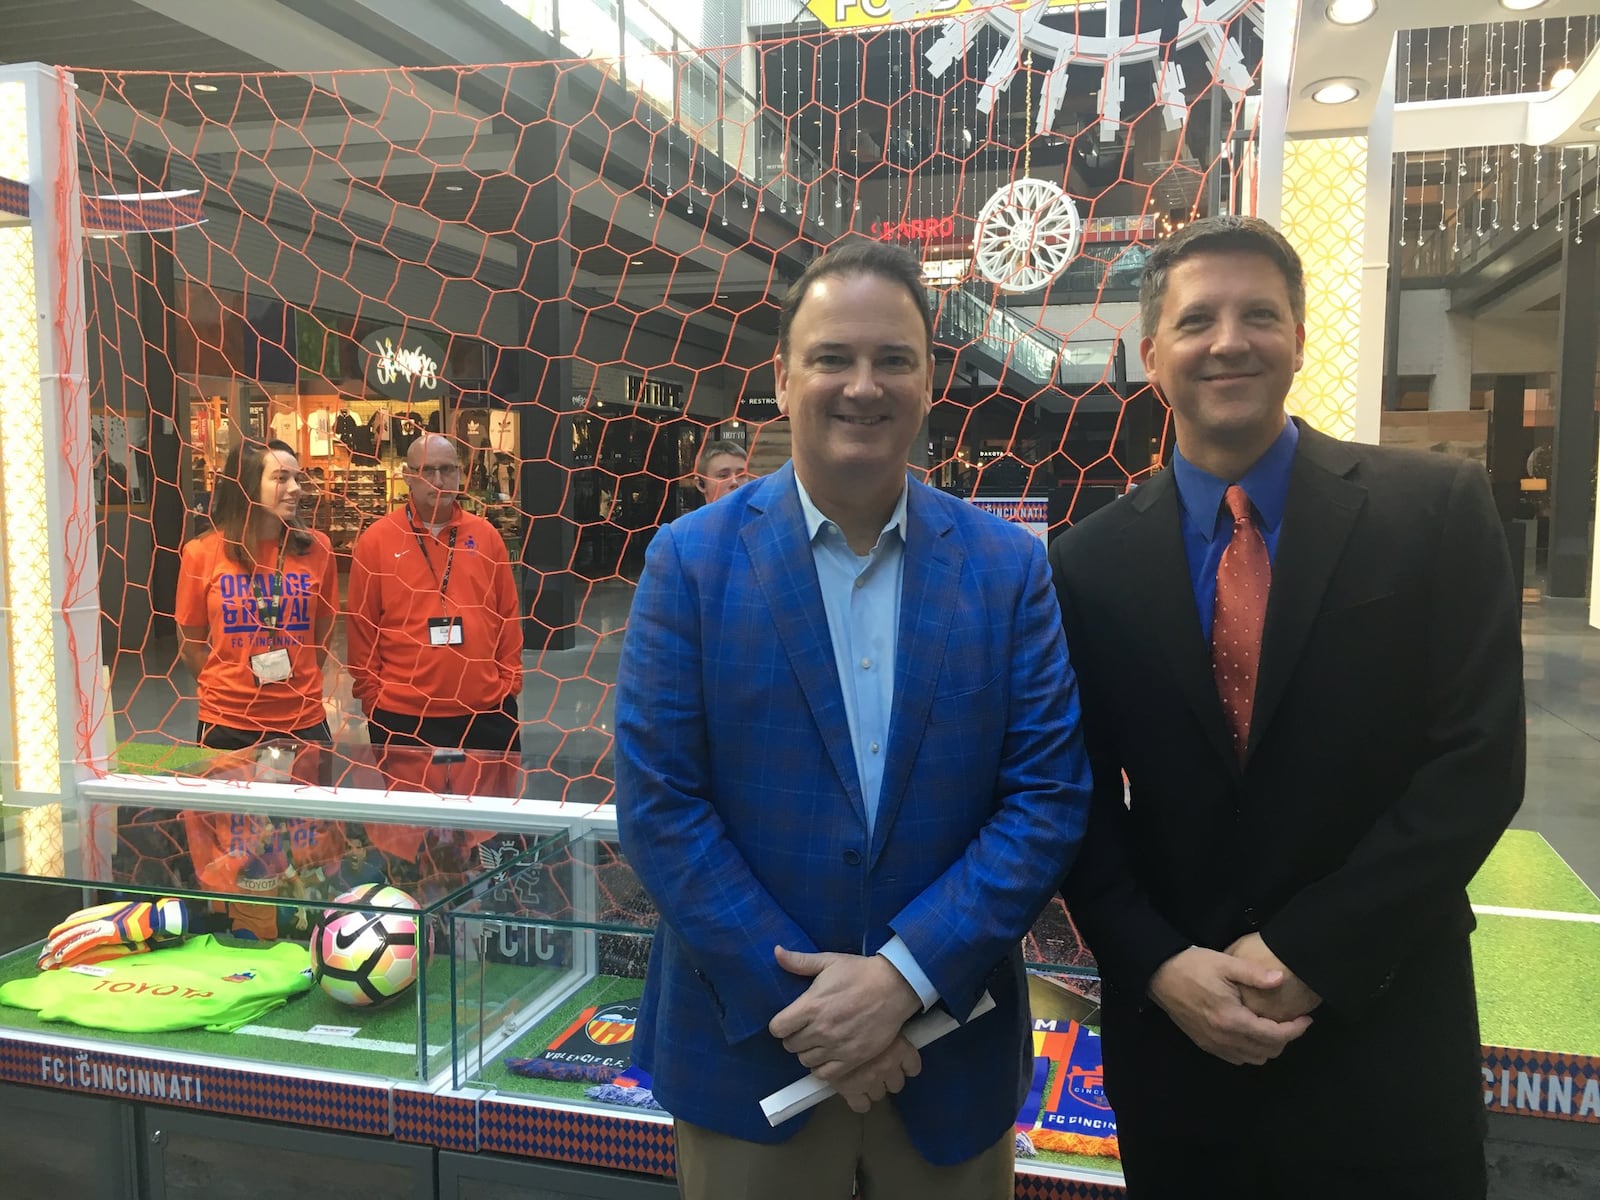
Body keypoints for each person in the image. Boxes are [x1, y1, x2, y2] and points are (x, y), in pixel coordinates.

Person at [1048, 215, 1525, 1198]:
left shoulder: (1430, 511)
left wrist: (1309, 954)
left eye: (1258, 314)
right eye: (1197, 320)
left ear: (1301, 337)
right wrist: (1158, 965)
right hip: (1182, 1046)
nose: (1228, 340)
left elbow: (1477, 766)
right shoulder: (1086, 564)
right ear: (1153, 353)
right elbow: (1073, 798)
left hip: (1380, 1022)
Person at [616, 240, 1092, 1199]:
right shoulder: (690, 563)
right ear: (783, 380)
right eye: (832, 358)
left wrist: (902, 983)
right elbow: (662, 806)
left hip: (946, 1067)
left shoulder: (1007, 570)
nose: (862, 386)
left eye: (894, 360)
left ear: (930, 380)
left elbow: (1046, 799)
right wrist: (817, 1013)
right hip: (751, 1060)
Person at [346, 433, 523, 752]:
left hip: (485, 711)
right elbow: (362, 627)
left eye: (448, 469)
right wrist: (373, 698)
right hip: (403, 714)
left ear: (461, 473)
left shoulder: (486, 536)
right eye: (427, 471)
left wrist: (508, 685)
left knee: (489, 800)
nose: (438, 480)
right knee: (411, 802)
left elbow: (508, 615)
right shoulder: (377, 541)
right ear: (407, 476)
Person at [176, 438, 335, 749]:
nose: (295, 489)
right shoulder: (201, 552)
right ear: (246, 485)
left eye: (296, 478)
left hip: (302, 717)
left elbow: (322, 637)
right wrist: (233, 689)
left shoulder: (318, 549)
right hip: (228, 721)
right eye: (280, 478)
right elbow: (191, 645)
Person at [693, 437, 750, 505]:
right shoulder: (693, 516)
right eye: (723, 475)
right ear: (700, 484)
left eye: (741, 475)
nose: (734, 482)